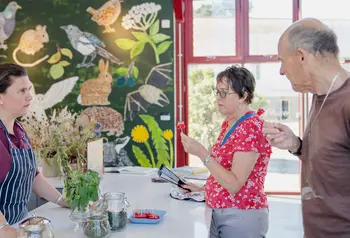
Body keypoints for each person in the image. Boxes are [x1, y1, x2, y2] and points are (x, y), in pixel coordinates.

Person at [263, 18, 350, 238]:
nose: (282, 71)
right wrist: (296, 145)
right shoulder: (320, 97)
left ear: (301, 56)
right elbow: (334, 161)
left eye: (282, 61)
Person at [181, 65, 272, 238]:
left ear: (243, 96)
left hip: (241, 215)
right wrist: (204, 189)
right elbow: (223, 171)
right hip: (223, 211)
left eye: (224, 93)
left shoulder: (250, 127)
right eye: (217, 92)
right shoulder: (230, 123)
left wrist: (201, 152)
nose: (218, 98)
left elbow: (234, 184)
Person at [0, 63, 67, 237]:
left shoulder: (19, 130)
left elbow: (32, 175)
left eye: (29, 89)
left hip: (19, 225)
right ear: (1, 97)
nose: (30, 97)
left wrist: (62, 200)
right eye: (21, 91)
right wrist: (5, 230)